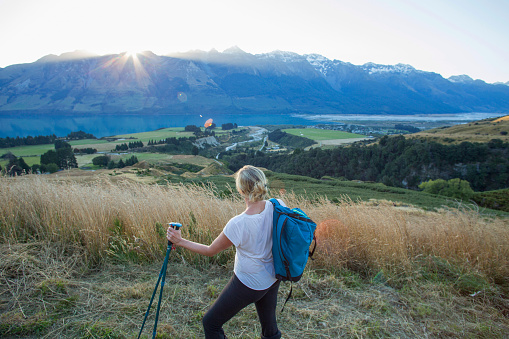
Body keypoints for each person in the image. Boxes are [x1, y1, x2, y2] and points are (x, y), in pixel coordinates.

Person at [167, 165, 284, 339]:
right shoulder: (278, 205)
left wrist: (180, 241)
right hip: (273, 277)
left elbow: (210, 251)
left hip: (248, 283)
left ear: (241, 191)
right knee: (270, 329)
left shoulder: (238, 224)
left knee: (211, 323)